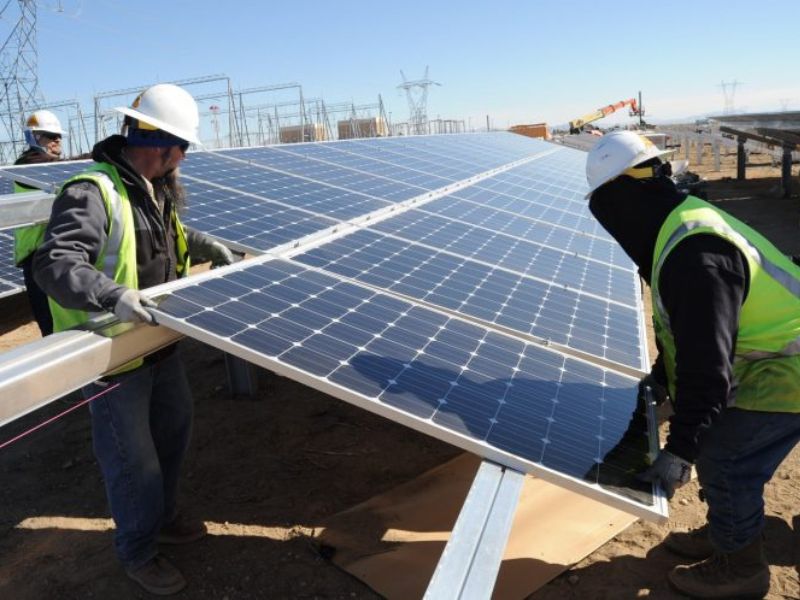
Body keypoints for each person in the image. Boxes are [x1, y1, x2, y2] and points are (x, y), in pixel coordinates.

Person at [33, 83, 235, 596]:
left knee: (173, 435)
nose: (182, 161)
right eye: (182, 150)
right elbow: (55, 265)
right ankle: (139, 551)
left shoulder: (150, 189)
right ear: (164, 145)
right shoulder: (92, 190)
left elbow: (161, 243)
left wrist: (204, 242)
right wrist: (113, 294)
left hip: (159, 344)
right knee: (133, 463)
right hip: (113, 358)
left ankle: (164, 518)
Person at [585, 130, 800, 599]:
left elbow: (708, 369)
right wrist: (662, 379)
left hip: (792, 369)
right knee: (711, 436)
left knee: (724, 455)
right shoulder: (675, 227)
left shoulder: (694, 254)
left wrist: (680, 450)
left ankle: (741, 567)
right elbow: (687, 334)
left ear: (620, 200)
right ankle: (730, 527)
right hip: (776, 357)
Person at [13, 110, 68, 336]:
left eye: (58, 135)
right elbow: (61, 172)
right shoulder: (28, 166)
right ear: (34, 138)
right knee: (51, 322)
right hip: (37, 257)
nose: (56, 140)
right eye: (49, 135)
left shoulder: (50, 166)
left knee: (61, 317)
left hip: (49, 253)